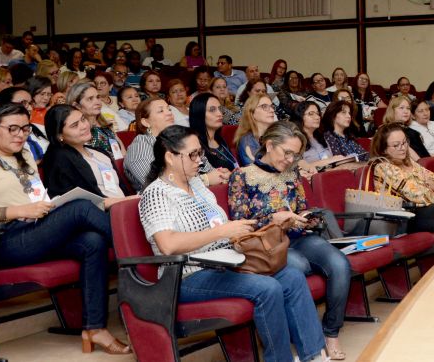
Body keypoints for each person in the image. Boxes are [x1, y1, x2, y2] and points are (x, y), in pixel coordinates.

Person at [138, 125, 327, 362]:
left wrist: (241, 229)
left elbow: (219, 224)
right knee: (268, 288)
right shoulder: (156, 193)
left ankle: (314, 355)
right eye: (193, 155)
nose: (200, 160)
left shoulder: (197, 185)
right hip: (187, 274)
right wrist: (221, 232)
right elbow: (167, 245)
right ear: (170, 157)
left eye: (200, 153)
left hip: (226, 262)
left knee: (292, 277)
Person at [0, 103, 131, 355]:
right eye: (12, 129)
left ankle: (94, 328)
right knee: (81, 208)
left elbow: (34, 194)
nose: (20, 135)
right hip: (1, 239)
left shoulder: (24, 154)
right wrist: (18, 210)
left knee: (93, 241)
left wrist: (46, 206)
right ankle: (140, 255)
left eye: (25, 128)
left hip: (34, 229)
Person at [228, 121, 351, 360]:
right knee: (299, 267)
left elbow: (301, 207)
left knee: (340, 264)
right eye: (287, 153)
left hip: (297, 237)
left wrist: (306, 217)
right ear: (269, 145)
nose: (290, 159)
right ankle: (303, 341)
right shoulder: (242, 176)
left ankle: (331, 332)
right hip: (268, 246)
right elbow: (240, 223)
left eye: (295, 155)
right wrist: (273, 219)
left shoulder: (292, 173)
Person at [125, 97, 230, 191]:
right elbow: (157, 185)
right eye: (161, 111)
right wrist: (205, 180)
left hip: (201, 195)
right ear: (145, 122)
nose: (169, 113)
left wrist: (221, 175)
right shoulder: (140, 145)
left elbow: (208, 169)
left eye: (169, 109)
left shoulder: (180, 140)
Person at [42, 105, 134, 206]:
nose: (84, 126)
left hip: (126, 207)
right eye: (74, 125)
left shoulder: (101, 153)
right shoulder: (60, 158)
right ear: (59, 135)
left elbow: (122, 189)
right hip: (102, 213)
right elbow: (85, 203)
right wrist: (129, 200)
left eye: (83, 119)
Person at [289, 101, 356, 172]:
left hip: (331, 173)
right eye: (311, 114)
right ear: (299, 117)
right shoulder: (295, 140)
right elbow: (300, 167)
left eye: (318, 114)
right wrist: (330, 160)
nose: (317, 117)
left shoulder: (321, 137)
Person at [66, 81, 125, 160]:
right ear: (77, 105)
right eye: (90, 99)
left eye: (97, 97)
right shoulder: (78, 131)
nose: (97, 102)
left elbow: (123, 153)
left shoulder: (105, 124)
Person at [0, 87, 50, 163]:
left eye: (30, 103)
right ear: (5, 105)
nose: (30, 108)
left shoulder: (39, 128)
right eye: (23, 103)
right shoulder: (1, 136)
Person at [189, 93, 239, 171]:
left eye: (220, 109)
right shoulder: (195, 146)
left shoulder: (220, 139)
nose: (219, 114)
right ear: (199, 114)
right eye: (212, 110)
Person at [235, 94, 277, 166]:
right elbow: (258, 169)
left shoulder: (275, 134)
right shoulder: (247, 140)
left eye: (272, 106)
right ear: (252, 112)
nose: (272, 110)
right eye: (264, 106)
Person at [383, 96, 428, 160]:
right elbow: (411, 154)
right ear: (392, 111)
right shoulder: (389, 130)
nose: (406, 111)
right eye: (401, 108)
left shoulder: (407, 128)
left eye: (408, 108)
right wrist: (423, 164)